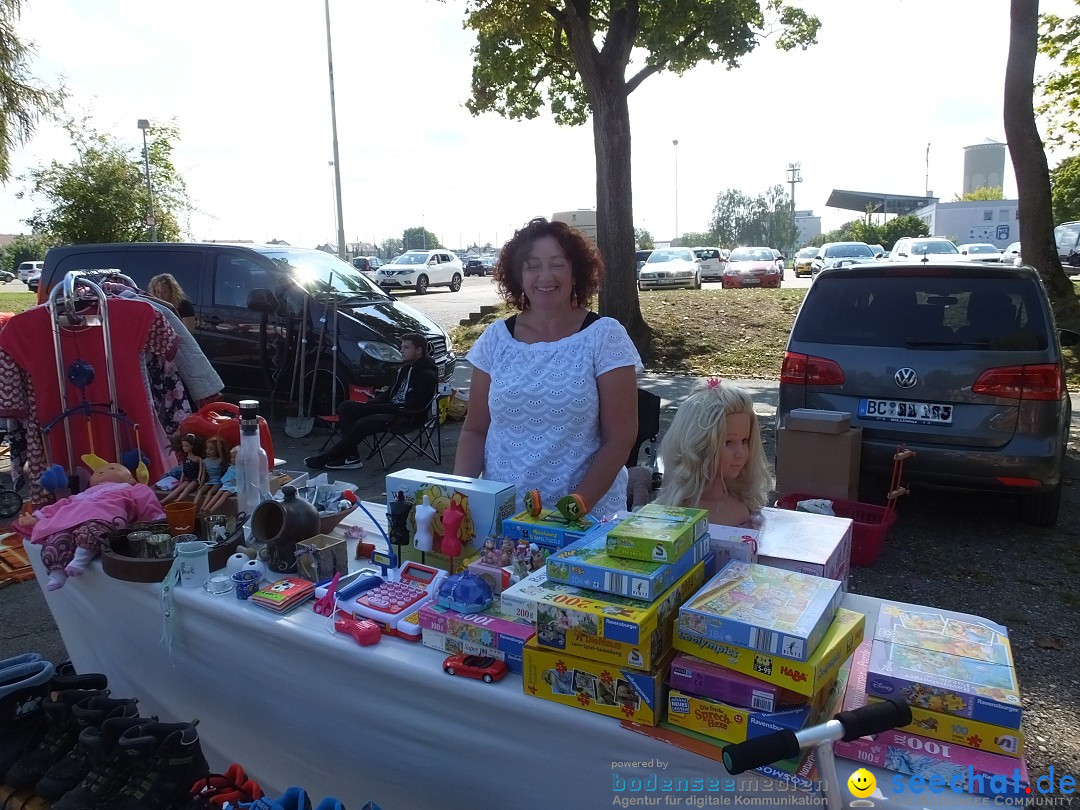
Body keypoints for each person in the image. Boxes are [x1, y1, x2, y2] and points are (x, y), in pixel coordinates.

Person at [453, 217, 641, 520]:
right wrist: (458, 497)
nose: (545, 276)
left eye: (558, 264)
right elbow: (475, 430)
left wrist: (578, 504)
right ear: (519, 275)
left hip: (585, 518)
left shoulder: (605, 335)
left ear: (576, 272)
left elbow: (620, 437)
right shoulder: (495, 339)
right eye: (532, 265)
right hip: (504, 517)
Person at [304, 332, 438, 470]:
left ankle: (327, 457)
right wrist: (370, 405)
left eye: (406, 347)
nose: (401, 351)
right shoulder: (405, 369)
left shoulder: (427, 375)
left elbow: (414, 406)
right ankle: (351, 457)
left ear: (418, 350)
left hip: (406, 417)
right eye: (401, 347)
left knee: (364, 422)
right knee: (347, 407)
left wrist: (378, 408)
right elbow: (388, 394)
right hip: (391, 409)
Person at [654, 379, 770, 527]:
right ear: (700, 445)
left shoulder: (745, 506)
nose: (740, 453)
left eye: (744, 441)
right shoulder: (678, 511)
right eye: (728, 443)